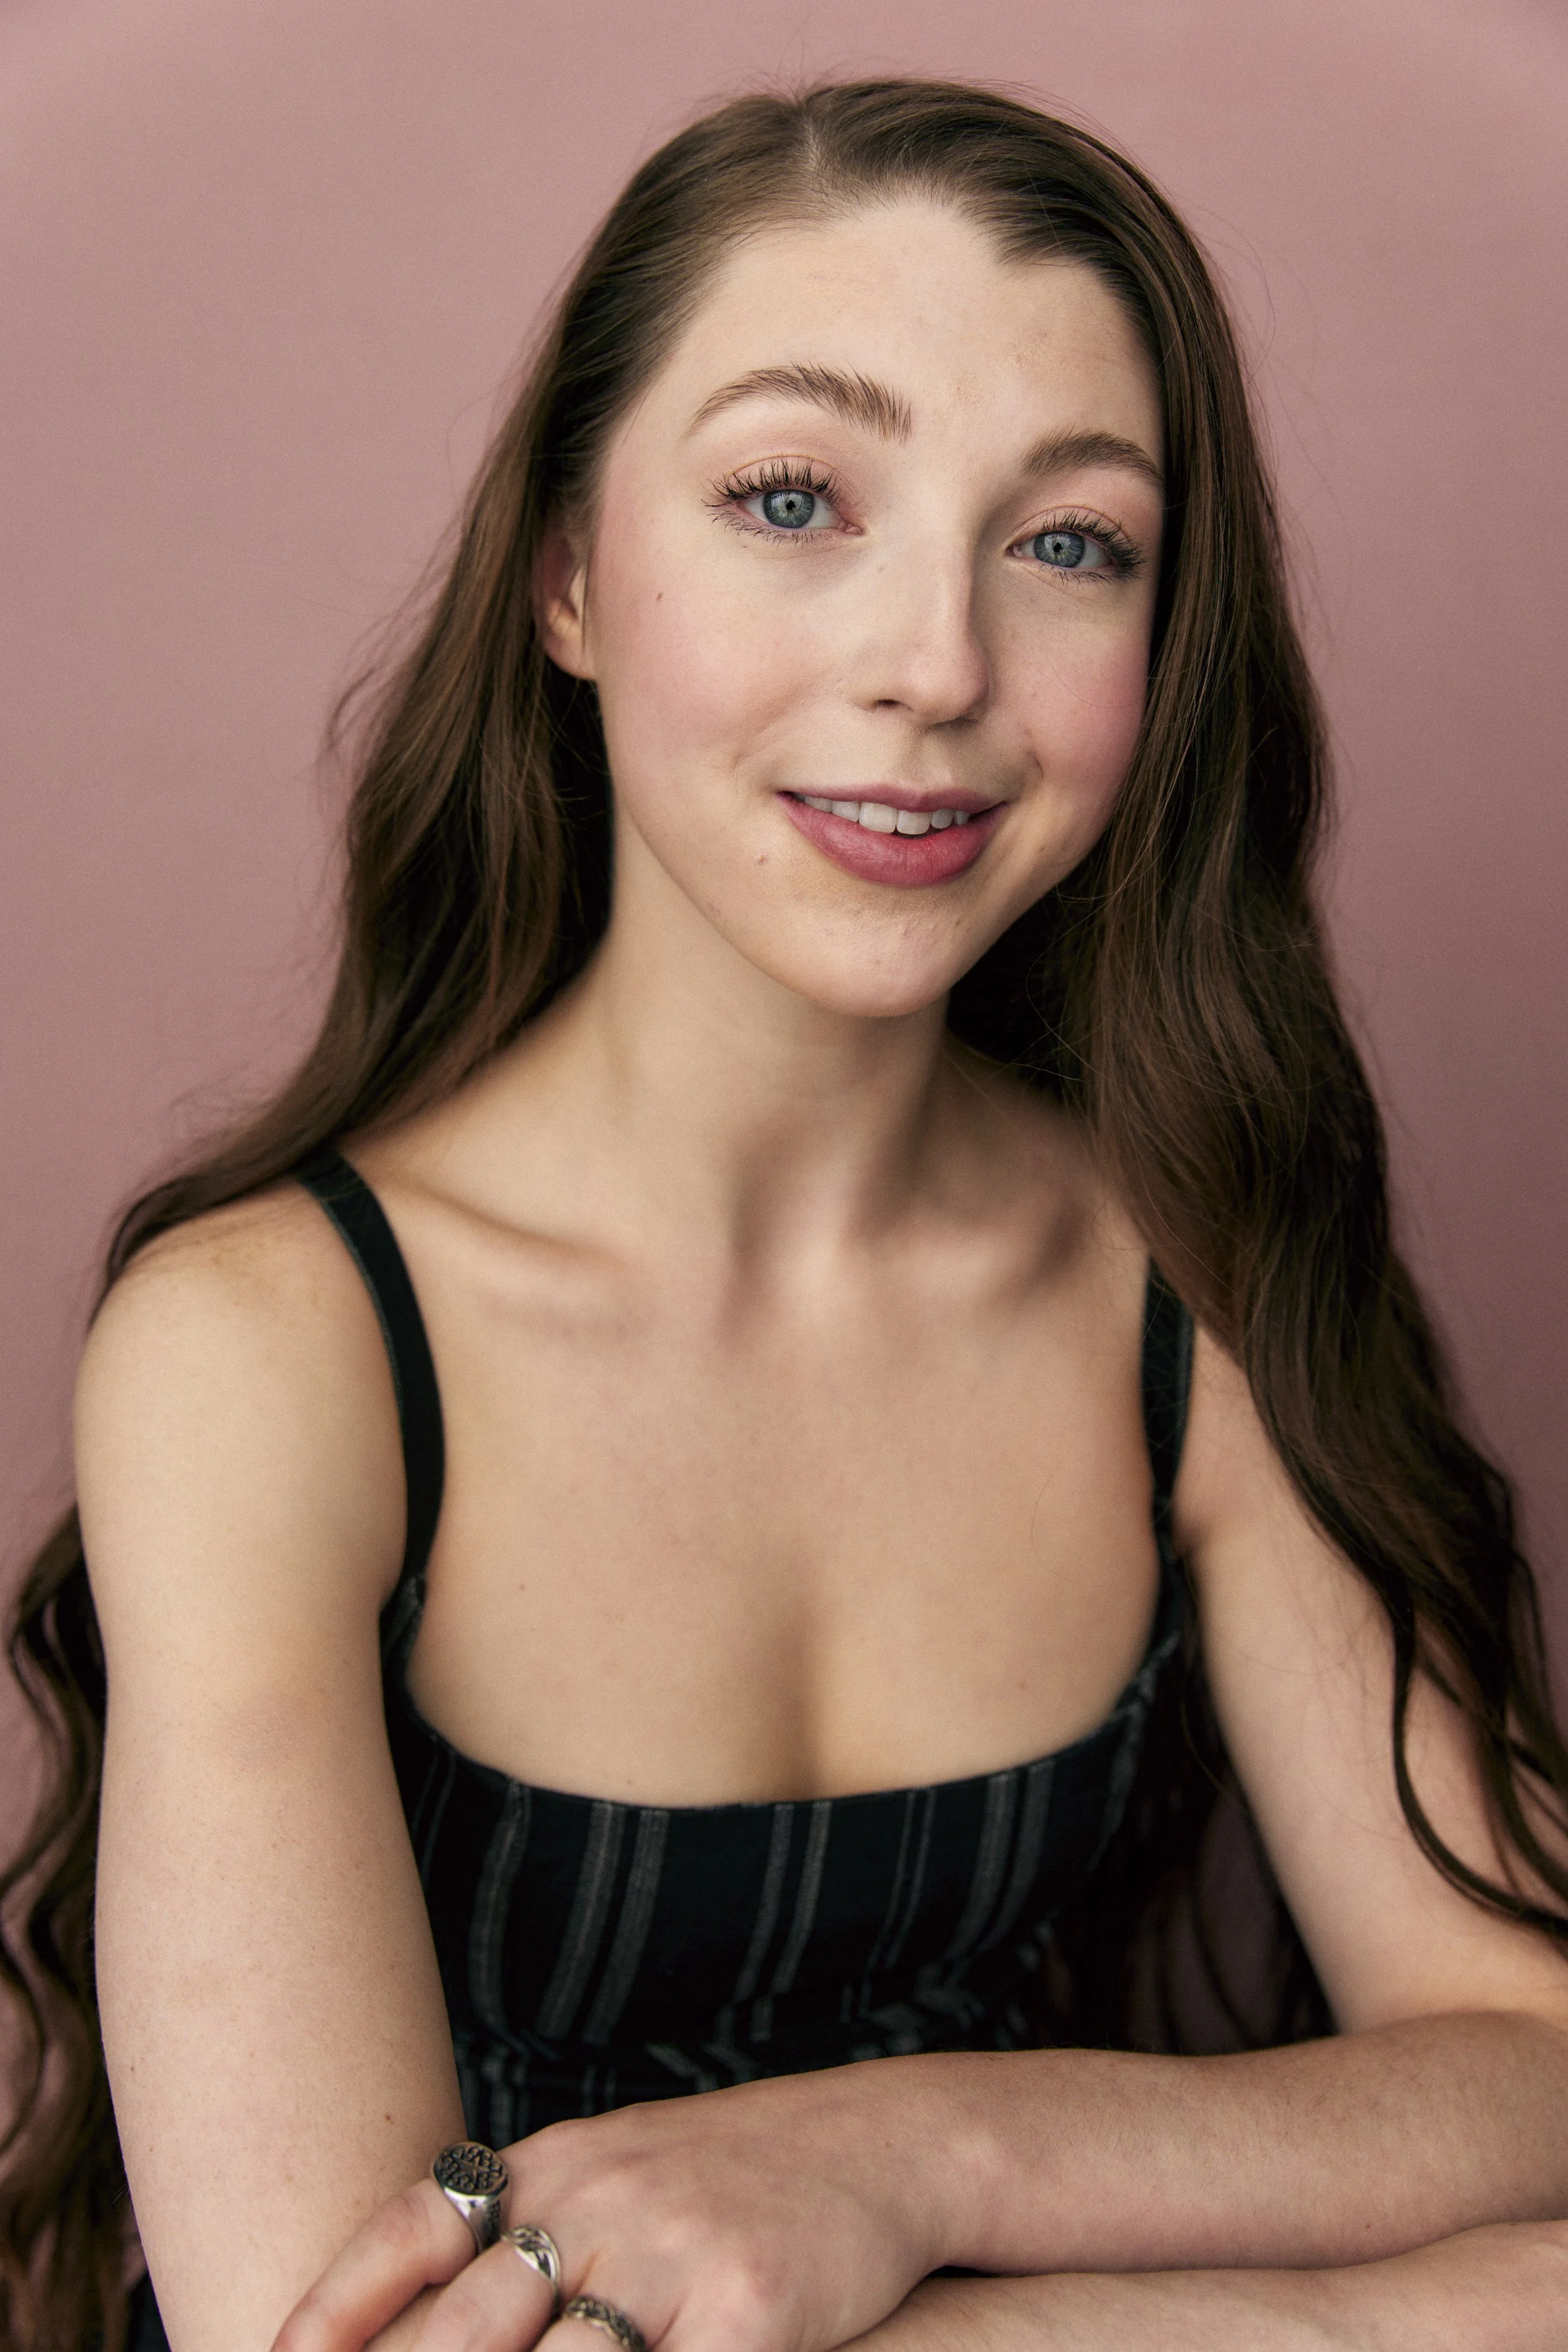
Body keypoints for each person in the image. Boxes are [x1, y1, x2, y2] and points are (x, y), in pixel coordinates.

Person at [2, 77, 1566, 2352]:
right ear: (565, 579)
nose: (935, 663)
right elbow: (341, 2332)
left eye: (1070, 542)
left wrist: (896, 2162)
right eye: (790, 499)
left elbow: (1531, 2056)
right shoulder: (269, 1342)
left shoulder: (1189, 1268)